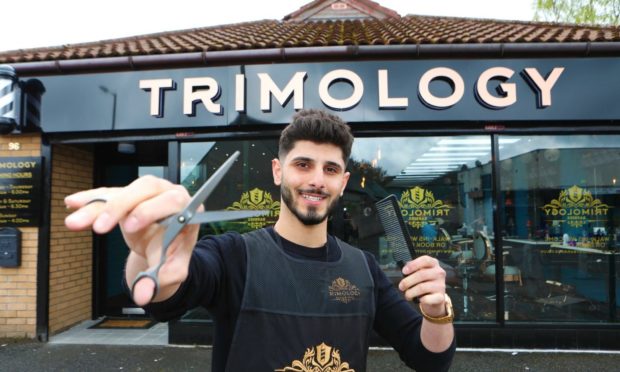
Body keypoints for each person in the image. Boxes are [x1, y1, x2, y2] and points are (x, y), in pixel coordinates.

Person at [64, 109, 455, 371]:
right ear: (277, 171)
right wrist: (152, 257)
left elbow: (429, 357)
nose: (317, 179)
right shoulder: (234, 255)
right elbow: (167, 294)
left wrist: (437, 311)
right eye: (303, 164)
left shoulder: (363, 268)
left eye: (330, 169)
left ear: (343, 182)